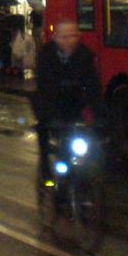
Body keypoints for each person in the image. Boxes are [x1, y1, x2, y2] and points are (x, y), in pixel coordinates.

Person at [31, 19, 103, 184]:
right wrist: (48, 113)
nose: (69, 41)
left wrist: (98, 113)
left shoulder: (85, 55)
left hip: (75, 103)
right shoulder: (46, 55)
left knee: (91, 137)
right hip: (51, 103)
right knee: (44, 128)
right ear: (55, 37)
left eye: (73, 36)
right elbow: (44, 86)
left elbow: (93, 86)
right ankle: (46, 168)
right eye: (64, 37)